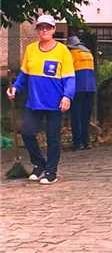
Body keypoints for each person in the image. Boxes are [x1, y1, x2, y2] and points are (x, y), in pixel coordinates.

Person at [6, 15, 75, 184]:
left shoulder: (62, 51)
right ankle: (39, 164)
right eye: (41, 27)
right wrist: (15, 87)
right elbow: (24, 75)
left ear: (53, 30)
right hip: (34, 101)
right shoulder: (30, 49)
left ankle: (51, 171)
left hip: (55, 102)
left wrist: (67, 96)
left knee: (53, 138)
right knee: (27, 132)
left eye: (48, 27)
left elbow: (70, 78)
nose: (44, 30)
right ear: (37, 30)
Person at [67, 35, 96, 150]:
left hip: (77, 88)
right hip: (91, 88)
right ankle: (87, 142)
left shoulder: (71, 54)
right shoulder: (89, 54)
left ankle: (77, 143)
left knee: (76, 116)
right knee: (86, 117)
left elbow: (68, 72)